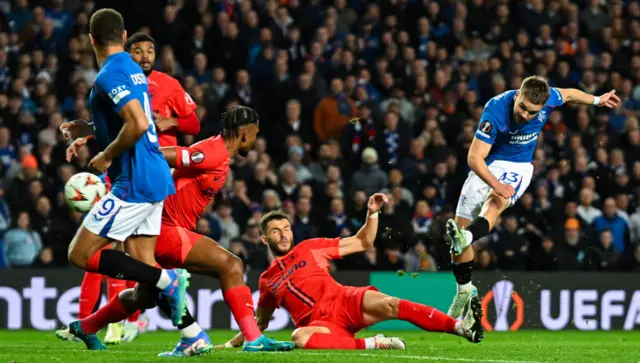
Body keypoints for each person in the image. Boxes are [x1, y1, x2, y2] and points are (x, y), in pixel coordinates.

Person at [58, 106, 295, 356]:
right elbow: (156, 154)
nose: (256, 141)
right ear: (245, 134)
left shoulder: (217, 151)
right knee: (231, 265)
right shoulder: (211, 153)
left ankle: (87, 326)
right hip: (164, 229)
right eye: (256, 134)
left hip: (163, 226)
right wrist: (106, 150)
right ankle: (253, 337)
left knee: (145, 295)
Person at [65, 32, 203, 346]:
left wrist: (106, 155)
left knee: (80, 254)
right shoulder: (133, 74)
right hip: (154, 176)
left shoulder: (113, 73)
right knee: (143, 267)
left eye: (149, 50)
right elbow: (131, 121)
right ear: (125, 39)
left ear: (90, 38)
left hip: (134, 180)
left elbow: (140, 124)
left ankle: (170, 279)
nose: (143, 55)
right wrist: (89, 130)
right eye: (137, 49)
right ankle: (193, 335)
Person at [445, 76, 621, 319]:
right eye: (523, 108)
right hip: (486, 165)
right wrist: (495, 183)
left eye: (532, 112)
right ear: (518, 95)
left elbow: (569, 93)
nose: (526, 115)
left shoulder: (549, 98)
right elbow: (474, 159)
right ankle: (464, 290)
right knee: (456, 243)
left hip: (517, 166)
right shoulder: (495, 108)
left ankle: (469, 235)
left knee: (494, 204)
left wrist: (597, 100)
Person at [218, 196, 483, 351]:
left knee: (393, 304)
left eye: (286, 228)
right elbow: (258, 324)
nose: (283, 234)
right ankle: (373, 343)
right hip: (321, 325)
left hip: (345, 300)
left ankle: (462, 328)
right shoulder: (267, 279)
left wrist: (373, 213)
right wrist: (228, 346)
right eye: (275, 231)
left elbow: (362, 242)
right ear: (264, 239)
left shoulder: (310, 248)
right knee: (299, 337)